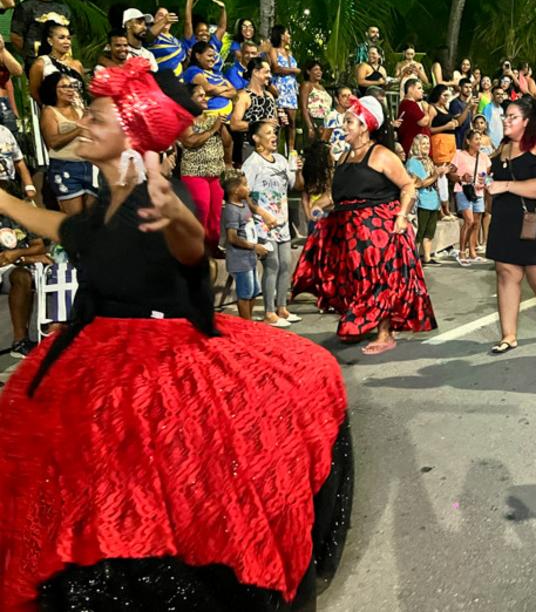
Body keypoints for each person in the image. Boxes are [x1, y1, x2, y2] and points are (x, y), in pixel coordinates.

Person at [0, 57, 352, 611]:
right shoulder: (98, 208)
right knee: (28, 412)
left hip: (160, 351)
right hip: (91, 347)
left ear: (130, 134)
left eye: (96, 117)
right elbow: (54, 225)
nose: (83, 125)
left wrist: (179, 219)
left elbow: (197, 257)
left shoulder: (162, 199)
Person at [292, 95, 436, 353]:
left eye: (348, 121)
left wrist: (402, 217)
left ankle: (385, 334)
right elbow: (339, 195)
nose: (343, 126)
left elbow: (407, 186)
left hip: (379, 233)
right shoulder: (345, 157)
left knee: (378, 282)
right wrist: (318, 205)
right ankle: (361, 321)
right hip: (349, 233)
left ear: (364, 125)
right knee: (354, 281)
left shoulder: (381, 155)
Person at [484, 95, 536, 353]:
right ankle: (508, 335)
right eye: (505, 116)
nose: (506, 121)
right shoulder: (504, 146)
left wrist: (507, 185)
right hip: (506, 218)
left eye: (512, 117)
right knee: (506, 274)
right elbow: (493, 177)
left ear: (527, 122)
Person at [242, 120, 303, 328]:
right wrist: (261, 214)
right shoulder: (252, 163)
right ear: (256, 138)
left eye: (274, 132)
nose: (273, 136)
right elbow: (244, 194)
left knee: (286, 263)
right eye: (268, 133)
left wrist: (299, 169)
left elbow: (296, 185)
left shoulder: (280, 159)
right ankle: (268, 311)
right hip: (263, 223)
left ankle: (282, 307)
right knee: (272, 265)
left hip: (282, 221)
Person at [0, 128, 43, 359]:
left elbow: (39, 244)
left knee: (22, 277)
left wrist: (16, 254)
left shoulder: (17, 207)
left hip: (9, 266)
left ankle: (20, 340)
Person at [38, 72, 96, 215]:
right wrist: (79, 128)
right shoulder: (49, 112)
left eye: (72, 86)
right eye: (64, 87)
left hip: (89, 165)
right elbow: (53, 142)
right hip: (65, 167)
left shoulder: (80, 109)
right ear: (53, 89)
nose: (70, 90)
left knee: (94, 219)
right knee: (75, 220)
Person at [179, 83, 226, 250]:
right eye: (200, 96)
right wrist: (213, 129)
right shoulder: (184, 120)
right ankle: (198, 250)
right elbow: (190, 141)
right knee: (202, 212)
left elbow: (227, 143)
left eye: (205, 95)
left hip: (215, 173)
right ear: (189, 100)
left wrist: (222, 127)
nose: (205, 99)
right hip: (195, 173)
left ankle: (212, 248)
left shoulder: (213, 118)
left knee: (215, 215)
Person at [220, 168, 267, 320]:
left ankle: (249, 321)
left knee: (253, 291)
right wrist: (254, 247)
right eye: (245, 185)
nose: (249, 188)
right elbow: (232, 237)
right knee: (245, 293)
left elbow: (251, 218)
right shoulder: (231, 210)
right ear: (234, 190)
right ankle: (245, 325)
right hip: (240, 260)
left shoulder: (244, 204)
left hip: (250, 258)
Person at [450, 129, 491, 265]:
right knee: (469, 220)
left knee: (476, 222)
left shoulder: (484, 157)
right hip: (463, 190)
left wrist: (484, 181)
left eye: (480, 139)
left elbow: (488, 175)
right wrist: (462, 177)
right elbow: (451, 174)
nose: (479, 142)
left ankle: (472, 251)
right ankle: (462, 251)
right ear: (468, 141)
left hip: (478, 192)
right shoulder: (460, 155)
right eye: (476, 139)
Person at [230, 57, 277, 167]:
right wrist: (260, 124)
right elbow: (234, 124)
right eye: (266, 72)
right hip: (250, 148)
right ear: (255, 72)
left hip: (270, 147)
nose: (270, 76)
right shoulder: (243, 96)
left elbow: (273, 122)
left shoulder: (269, 96)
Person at [408, 134, 447, 265]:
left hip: (433, 201)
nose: (426, 146)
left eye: (428, 144)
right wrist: (436, 175)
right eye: (423, 144)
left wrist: (441, 172)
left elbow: (433, 179)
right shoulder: (413, 162)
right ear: (417, 146)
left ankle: (427, 258)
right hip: (421, 202)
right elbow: (421, 183)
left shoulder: (429, 160)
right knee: (419, 232)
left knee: (429, 232)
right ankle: (414, 258)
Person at [10, 0, 72, 69]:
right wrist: (29, 55)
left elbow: (70, 35)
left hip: (63, 62)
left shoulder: (63, 8)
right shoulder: (26, 6)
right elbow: (16, 37)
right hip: (35, 62)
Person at [28, 21, 84, 104]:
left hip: (79, 111)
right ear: (50, 41)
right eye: (61, 38)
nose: (67, 42)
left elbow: (83, 92)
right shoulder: (41, 64)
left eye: (68, 38)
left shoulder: (77, 64)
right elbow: (34, 92)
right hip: (55, 112)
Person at [268, 25, 299, 153]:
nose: (289, 36)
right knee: (279, 121)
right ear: (282, 36)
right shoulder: (273, 51)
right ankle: (276, 150)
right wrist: (294, 70)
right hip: (280, 88)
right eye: (287, 33)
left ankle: (291, 150)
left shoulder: (289, 52)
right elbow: (276, 68)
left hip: (291, 89)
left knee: (291, 123)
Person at [183, 0, 227, 73]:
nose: (205, 33)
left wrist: (223, 9)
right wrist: (190, 0)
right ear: (195, 34)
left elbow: (221, 28)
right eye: (200, 31)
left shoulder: (213, 43)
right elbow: (188, 22)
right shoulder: (192, 43)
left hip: (218, 79)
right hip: (200, 79)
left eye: (207, 31)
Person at [300, 139, 334, 237]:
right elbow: (305, 198)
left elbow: (305, 199)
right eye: (331, 153)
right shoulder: (314, 175)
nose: (333, 156)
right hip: (321, 216)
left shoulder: (330, 172)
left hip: (322, 214)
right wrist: (309, 217)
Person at [396, 77, 432, 156]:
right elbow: (423, 122)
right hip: (414, 150)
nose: (422, 91)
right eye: (419, 88)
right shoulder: (410, 104)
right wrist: (426, 110)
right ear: (410, 89)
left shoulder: (405, 104)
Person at [146, 6, 185, 76]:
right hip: (160, 79)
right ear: (154, 19)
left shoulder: (176, 40)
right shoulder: (153, 34)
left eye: (167, 16)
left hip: (179, 81)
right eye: (161, 15)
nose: (167, 18)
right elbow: (148, 38)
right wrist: (164, 21)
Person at [300, 60, 333, 140]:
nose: (319, 72)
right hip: (314, 120)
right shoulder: (307, 85)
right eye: (316, 70)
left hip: (326, 122)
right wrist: (310, 126)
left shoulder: (323, 88)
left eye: (320, 70)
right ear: (308, 72)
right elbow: (304, 107)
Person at [449, 78, 478, 151]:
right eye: (466, 87)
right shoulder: (455, 103)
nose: (469, 90)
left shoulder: (467, 103)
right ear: (460, 88)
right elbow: (458, 122)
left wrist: (473, 109)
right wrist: (468, 106)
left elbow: (470, 122)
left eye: (470, 87)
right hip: (458, 142)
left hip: (466, 142)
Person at [324, 86, 353, 158]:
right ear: (337, 99)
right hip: (336, 157)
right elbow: (325, 139)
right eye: (344, 96)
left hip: (350, 157)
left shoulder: (353, 115)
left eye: (350, 96)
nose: (348, 99)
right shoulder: (331, 116)